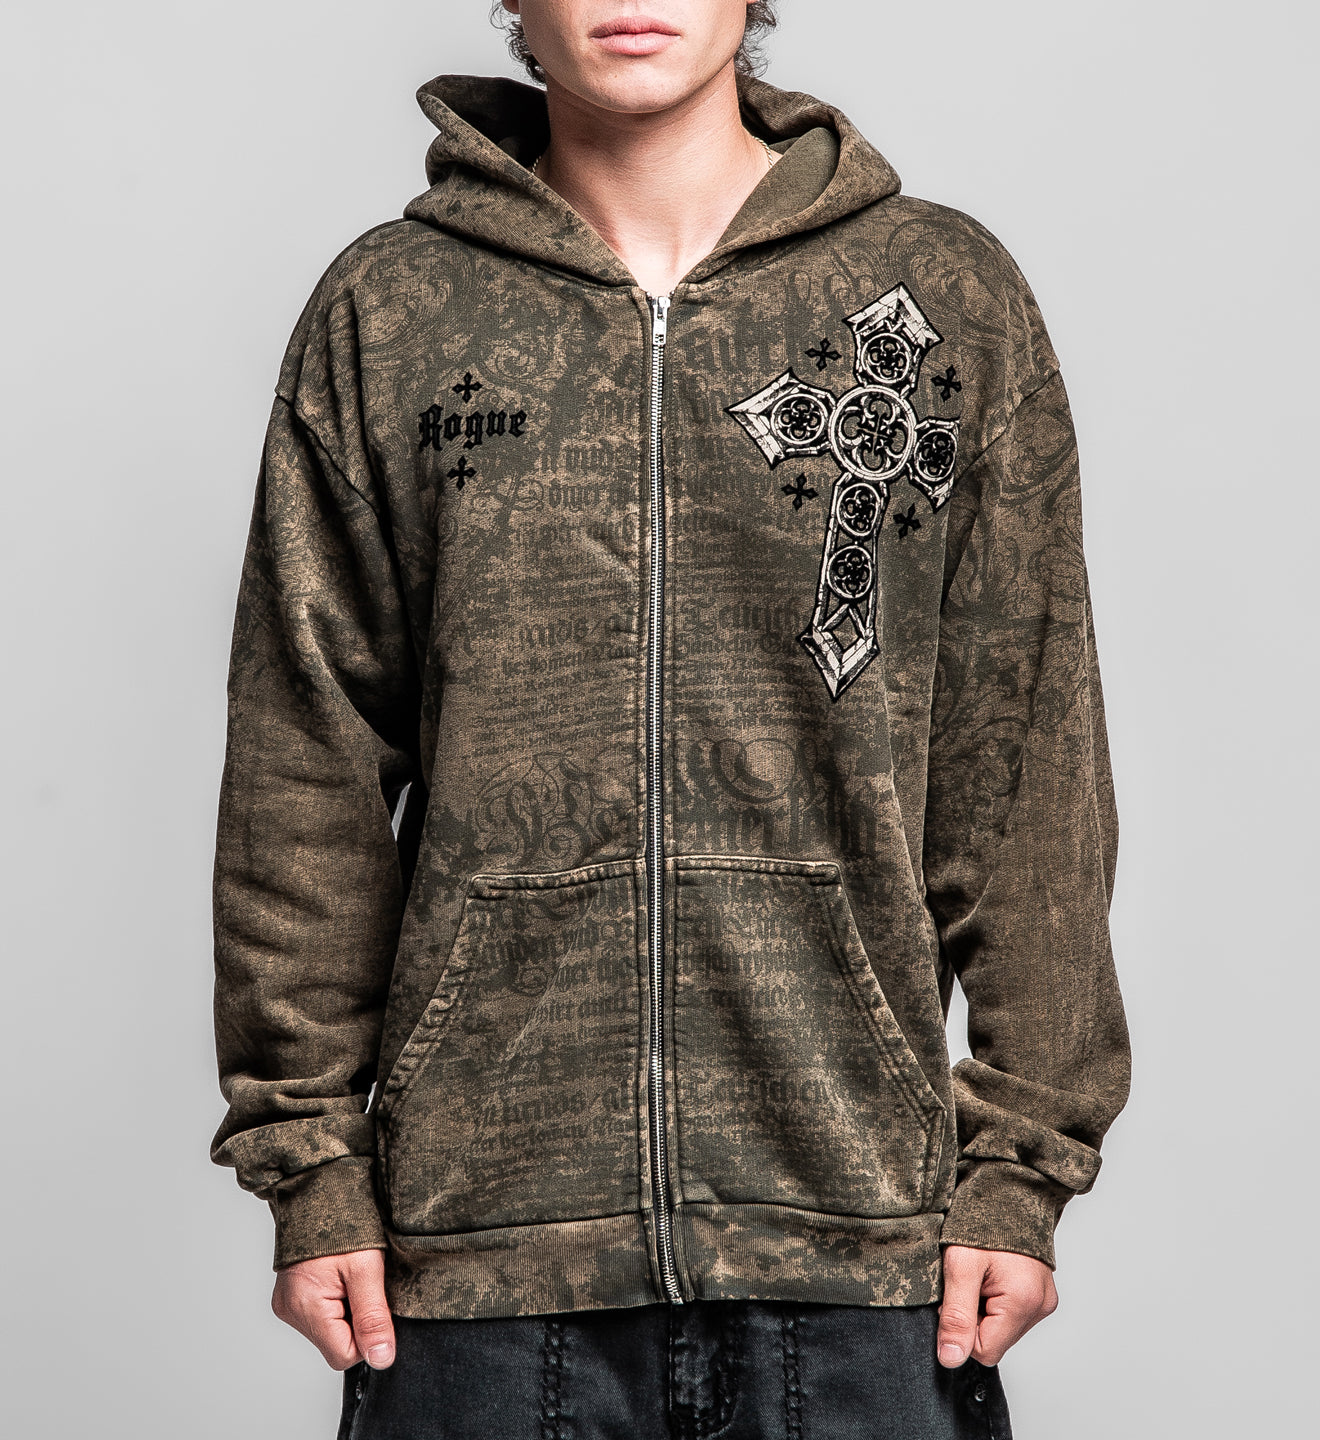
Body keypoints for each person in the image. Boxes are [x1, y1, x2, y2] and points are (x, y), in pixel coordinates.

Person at [211, 3, 1131, 1435]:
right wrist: (311, 1161)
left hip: (859, 1242)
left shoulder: (942, 295)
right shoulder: (392, 312)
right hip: (482, 1251)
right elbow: (305, 760)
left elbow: (1025, 759)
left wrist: (1023, 1164)